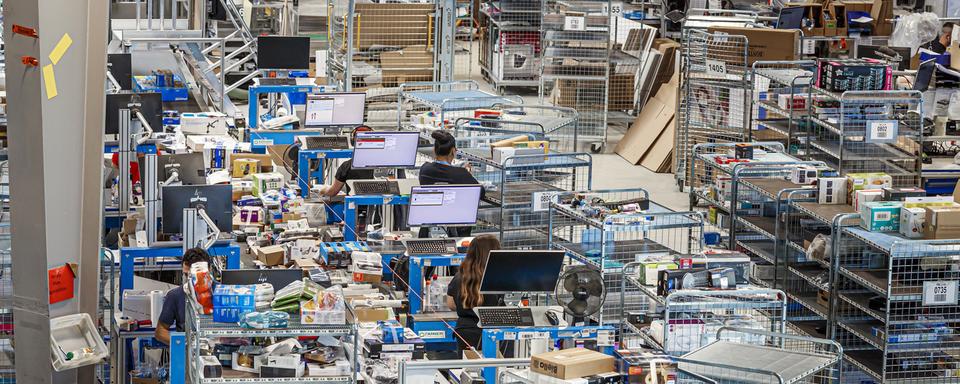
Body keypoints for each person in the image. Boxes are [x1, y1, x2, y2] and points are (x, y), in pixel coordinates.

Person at [445, 236, 503, 355]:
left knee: (467, 369)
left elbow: (451, 304)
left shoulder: (459, 277)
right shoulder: (497, 278)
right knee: (493, 368)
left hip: (465, 331)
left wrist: (468, 304)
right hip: (492, 332)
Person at [155, 248, 210, 345]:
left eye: (193, 276)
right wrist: (184, 345)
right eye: (185, 275)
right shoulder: (175, 296)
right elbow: (160, 332)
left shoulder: (221, 294)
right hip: (188, 354)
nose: (188, 280)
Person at [323, 125, 376, 197]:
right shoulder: (382, 163)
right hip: (375, 206)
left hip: (354, 206)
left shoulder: (347, 166)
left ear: (353, 142)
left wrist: (322, 191)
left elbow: (332, 193)